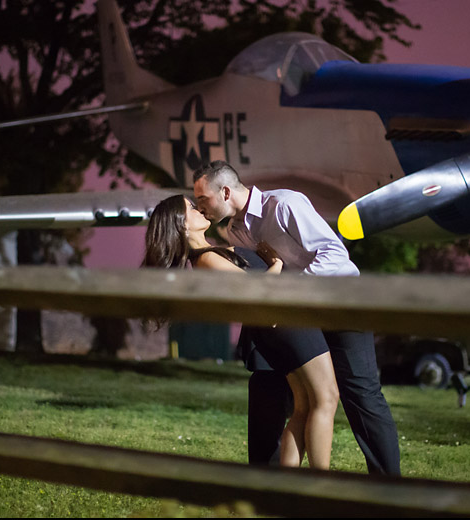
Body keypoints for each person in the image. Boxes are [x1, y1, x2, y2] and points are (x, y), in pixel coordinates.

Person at [193, 161, 402, 476]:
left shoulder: (284, 204)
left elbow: (335, 255)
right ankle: (281, 484)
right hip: (299, 317)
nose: (200, 207)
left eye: (202, 199)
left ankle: (389, 486)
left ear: (224, 192)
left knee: (361, 393)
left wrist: (289, 290)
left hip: (341, 302)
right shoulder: (234, 230)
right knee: (292, 395)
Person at [142, 194, 339, 469]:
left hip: (283, 323)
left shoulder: (212, 252)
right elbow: (256, 292)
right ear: (181, 224)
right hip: (286, 324)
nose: (199, 209)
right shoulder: (206, 259)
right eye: (191, 208)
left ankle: (291, 485)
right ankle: (323, 485)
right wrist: (276, 265)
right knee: (326, 398)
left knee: (305, 405)